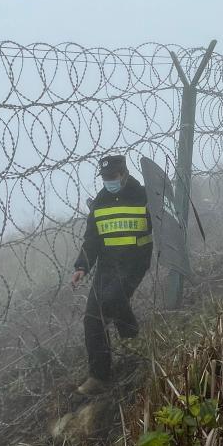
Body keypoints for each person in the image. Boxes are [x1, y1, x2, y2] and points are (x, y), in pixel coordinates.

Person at [72, 155, 153, 395]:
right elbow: (92, 239)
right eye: (105, 177)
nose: (109, 181)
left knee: (113, 299)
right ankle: (99, 377)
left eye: (113, 176)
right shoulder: (101, 201)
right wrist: (81, 267)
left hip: (134, 262)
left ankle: (132, 336)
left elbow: (164, 222)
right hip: (107, 266)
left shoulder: (143, 195)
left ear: (124, 173)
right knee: (92, 319)